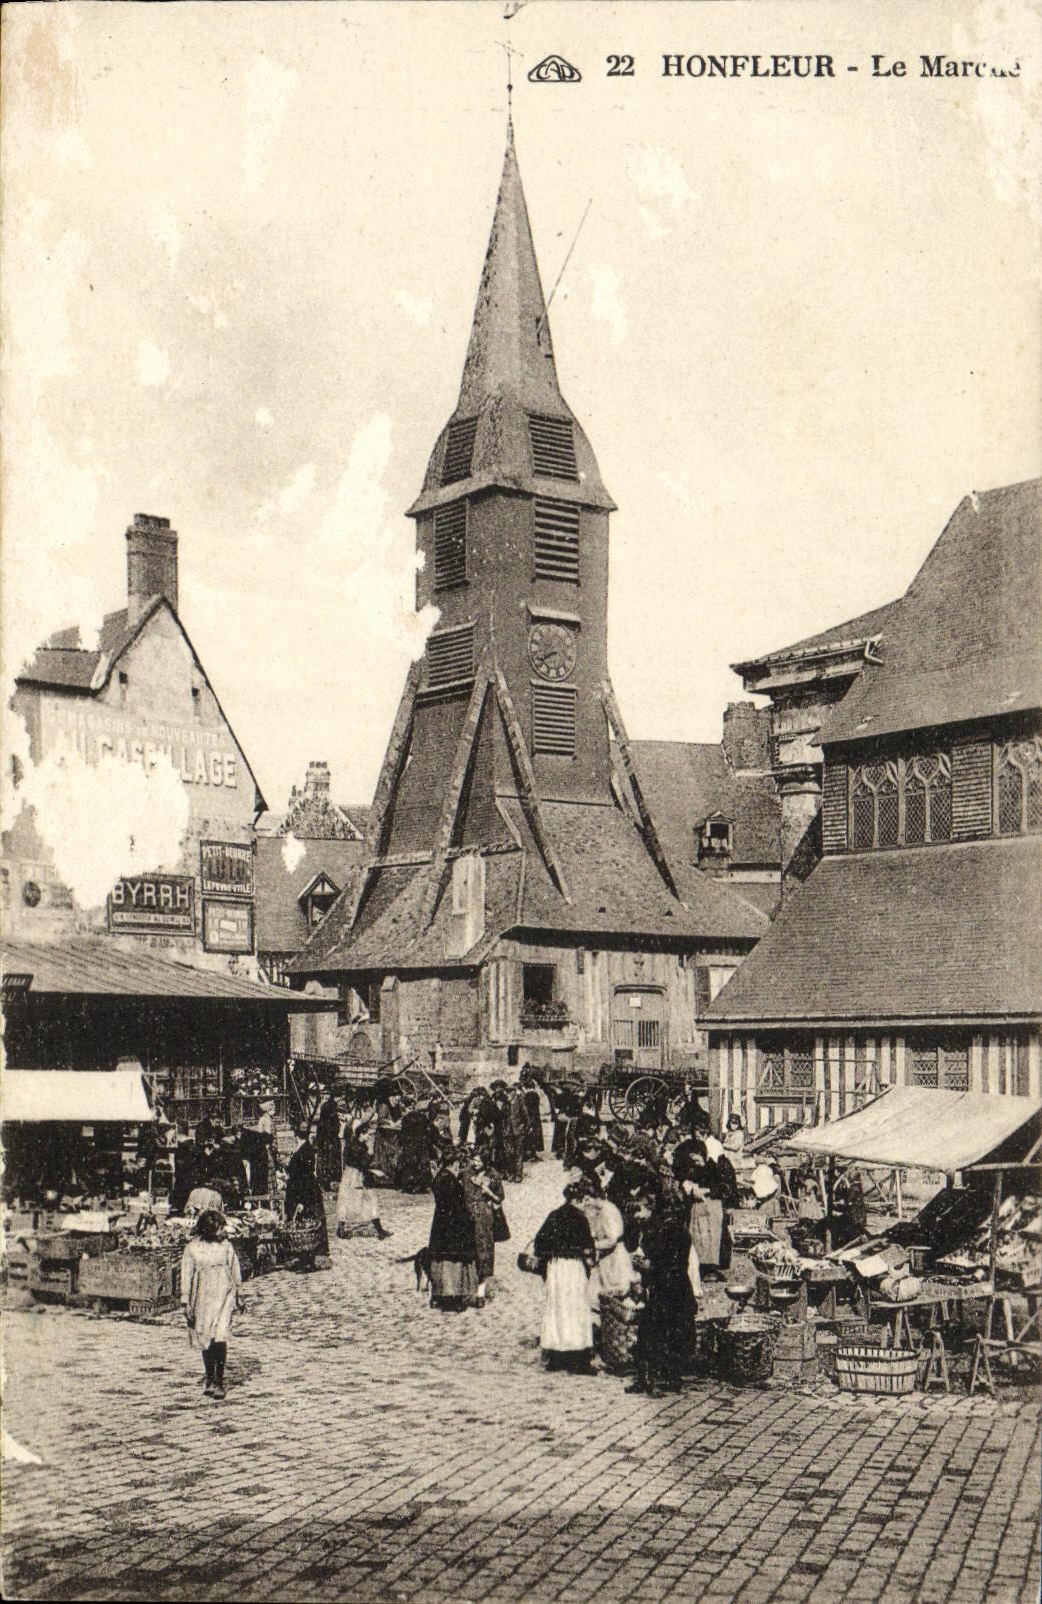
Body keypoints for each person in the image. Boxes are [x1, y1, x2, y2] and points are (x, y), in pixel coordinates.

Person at [630, 1197, 697, 1396]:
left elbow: (662, 1263)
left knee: (651, 1333)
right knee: (674, 1334)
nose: (637, 1216)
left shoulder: (664, 1231)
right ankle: (670, 1379)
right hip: (678, 1289)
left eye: (639, 1211)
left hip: (665, 1289)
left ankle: (648, 1379)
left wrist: (645, 1265)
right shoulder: (678, 1230)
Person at [533, 1179, 597, 1372]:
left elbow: (539, 1242)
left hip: (556, 1267)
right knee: (575, 1308)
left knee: (557, 1308)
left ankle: (556, 1355)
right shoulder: (580, 1218)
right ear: (579, 1199)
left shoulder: (554, 1215)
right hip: (573, 1267)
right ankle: (577, 1356)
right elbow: (588, 1247)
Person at [180, 1209, 244, 1400]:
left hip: (224, 1296)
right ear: (208, 1230)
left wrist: (239, 1294)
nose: (222, 1231)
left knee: (220, 1337)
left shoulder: (226, 1247)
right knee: (205, 1337)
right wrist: (186, 1301)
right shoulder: (192, 1248)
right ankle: (209, 1377)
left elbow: (235, 1270)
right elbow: (186, 1275)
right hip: (202, 1298)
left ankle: (219, 1380)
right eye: (218, 1228)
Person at [428, 1149, 478, 1310]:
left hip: (440, 1223)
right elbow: (457, 1205)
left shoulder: (440, 1177)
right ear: (454, 1163)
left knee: (441, 1259)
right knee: (454, 1260)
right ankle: (452, 1297)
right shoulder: (450, 1181)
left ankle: (438, 1295)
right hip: (453, 1224)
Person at [578, 1177, 632, 1322]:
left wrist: (592, 1244)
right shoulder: (600, 1210)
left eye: (586, 1200)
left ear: (592, 1197)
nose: (585, 1203)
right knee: (596, 1295)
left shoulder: (608, 1211)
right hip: (606, 1259)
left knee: (614, 1297)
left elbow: (612, 1239)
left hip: (615, 1257)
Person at [462, 1151, 506, 1305]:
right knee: (469, 1251)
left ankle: (481, 1292)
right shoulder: (466, 1174)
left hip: (485, 1219)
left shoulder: (494, 1175)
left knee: (484, 1253)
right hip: (467, 1216)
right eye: (473, 1160)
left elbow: (500, 1198)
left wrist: (488, 1192)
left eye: (478, 1161)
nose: (475, 1163)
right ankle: (468, 1289)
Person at [336, 1121, 392, 1239]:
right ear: (361, 1134)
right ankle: (341, 1228)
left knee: (370, 1199)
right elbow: (363, 1163)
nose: (369, 1136)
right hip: (354, 1176)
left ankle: (379, 1229)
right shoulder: (356, 1146)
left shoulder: (359, 1145)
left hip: (357, 1175)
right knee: (349, 1202)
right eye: (368, 1134)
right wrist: (371, 1155)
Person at [283, 1133, 330, 1261]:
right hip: (304, 1191)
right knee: (308, 1222)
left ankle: (310, 1255)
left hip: (305, 1193)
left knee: (309, 1223)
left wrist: (302, 1200)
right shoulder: (303, 1149)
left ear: (295, 1137)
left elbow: (304, 1177)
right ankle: (309, 1253)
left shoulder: (303, 1151)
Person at [397, 1096, 434, 1193]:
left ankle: (410, 1186)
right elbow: (429, 1130)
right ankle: (422, 1186)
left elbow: (403, 1134)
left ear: (406, 1108)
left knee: (410, 1165)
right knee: (422, 1165)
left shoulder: (405, 1119)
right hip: (422, 1144)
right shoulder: (423, 1117)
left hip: (410, 1145)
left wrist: (402, 1144)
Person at [372, 1081, 403, 1186]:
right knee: (384, 1156)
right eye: (395, 1099)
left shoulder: (397, 1106)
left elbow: (398, 1118)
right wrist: (390, 1122)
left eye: (398, 1100)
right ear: (391, 1097)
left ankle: (392, 1178)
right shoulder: (384, 1106)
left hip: (392, 1135)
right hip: (383, 1136)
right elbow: (380, 1120)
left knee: (394, 1154)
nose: (396, 1102)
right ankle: (383, 1180)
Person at [315, 1095, 343, 1191]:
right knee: (331, 1160)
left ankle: (325, 1182)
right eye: (340, 1097)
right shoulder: (332, 1109)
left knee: (324, 1160)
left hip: (324, 1138)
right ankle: (330, 1182)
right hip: (330, 1139)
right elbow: (334, 1127)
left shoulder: (326, 1107)